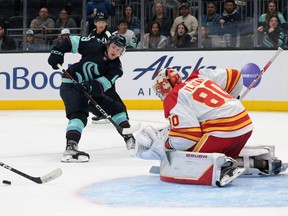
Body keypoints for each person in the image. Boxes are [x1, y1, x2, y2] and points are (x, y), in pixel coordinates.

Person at [135, 67, 254, 187]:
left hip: (221, 133)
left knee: (184, 157)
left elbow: (187, 138)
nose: (160, 93)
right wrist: (228, 100)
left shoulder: (173, 96)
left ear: (165, 85)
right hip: (245, 125)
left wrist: (165, 144)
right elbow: (235, 76)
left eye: (159, 88)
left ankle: (223, 167)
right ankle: (253, 162)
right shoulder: (198, 76)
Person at [47, 34, 136, 163]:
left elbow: (103, 84)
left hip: (90, 90)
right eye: (113, 47)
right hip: (71, 85)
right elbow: (70, 41)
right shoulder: (94, 45)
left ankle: (129, 138)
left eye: (119, 50)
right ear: (108, 45)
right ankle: (70, 147)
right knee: (79, 114)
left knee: (117, 108)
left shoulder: (117, 68)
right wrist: (57, 51)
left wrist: (89, 87)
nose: (115, 51)